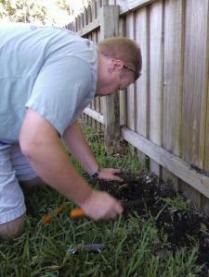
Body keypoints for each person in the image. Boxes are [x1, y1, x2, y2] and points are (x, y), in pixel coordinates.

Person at [0, 23, 142, 238]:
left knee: (39, 178)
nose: (114, 92)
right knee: (11, 227)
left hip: (5, 130)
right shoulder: (79, 65)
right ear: (116, 65)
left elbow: (68, 122)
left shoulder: (81, 56)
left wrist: (95, 171)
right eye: (120, 86)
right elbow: (36, 142)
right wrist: (88, 199)